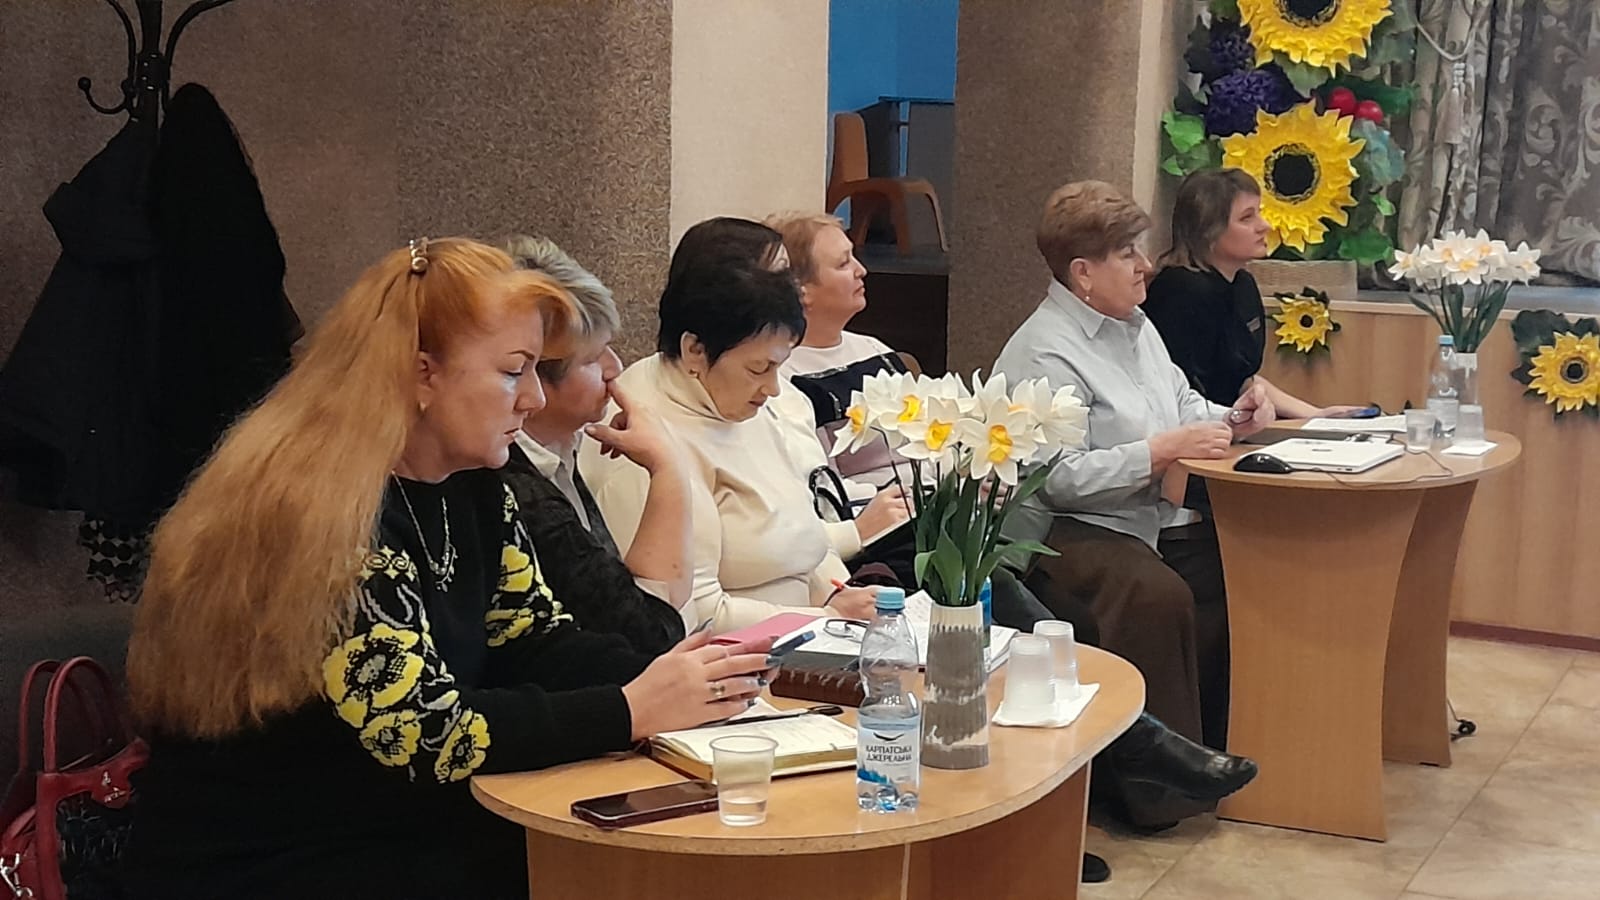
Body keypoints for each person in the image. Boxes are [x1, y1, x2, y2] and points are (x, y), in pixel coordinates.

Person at [123, 238, 774, 899]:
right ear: (422, 374)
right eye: (513, 372)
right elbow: (427, 733)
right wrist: (629, 708)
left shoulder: (474, 486)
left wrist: (689, 683)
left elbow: (532, 636)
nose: (532, 399)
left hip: (390, 824)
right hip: (272, 858)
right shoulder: (320, 514)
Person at [994, 181, 1272, 827]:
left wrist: (1234, 417)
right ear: (1083, 273)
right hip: (1061, 529)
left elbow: (1181, 404)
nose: (1146, 265)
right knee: (1155, 595)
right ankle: (1150, 792)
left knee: (1242, 568)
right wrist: (1159, 451)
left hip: (1141, 514)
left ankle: (1217, 747)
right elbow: (1054, 480)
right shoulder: (1045, 350)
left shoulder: (1137, 325)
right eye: (1127, 253)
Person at [580, 221, 883, 634]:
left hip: (809, 630)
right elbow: (693, 615)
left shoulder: (744, 402)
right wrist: (825, 620)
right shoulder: (641, 437)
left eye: (778, 366)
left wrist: (836, 595)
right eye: (759, 368)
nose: (773, 388)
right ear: (695, 350)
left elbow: (805, 541)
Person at [499, 235, 688, 657]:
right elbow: (648, 635)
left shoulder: (559, 450)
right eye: (592, 358)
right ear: (530, 374)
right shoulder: (517, 488)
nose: (614, 368)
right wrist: (668, 469)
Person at [1144, 168, 1365, 416]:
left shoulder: (1243, 285)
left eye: (1259, 213)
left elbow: (1240, 380)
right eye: (1247, 218)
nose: (1265, 226)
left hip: (1229, 421)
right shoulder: (1179, 291)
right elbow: (1182, 393)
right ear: (1208, 231)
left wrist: (1316, 415)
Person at [765, 212, 909, 489]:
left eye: (854, 257)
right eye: (843, 263)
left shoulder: (875, 350)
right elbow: (823, 484)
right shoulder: (784, 378)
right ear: (801, 291)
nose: (861, 270)